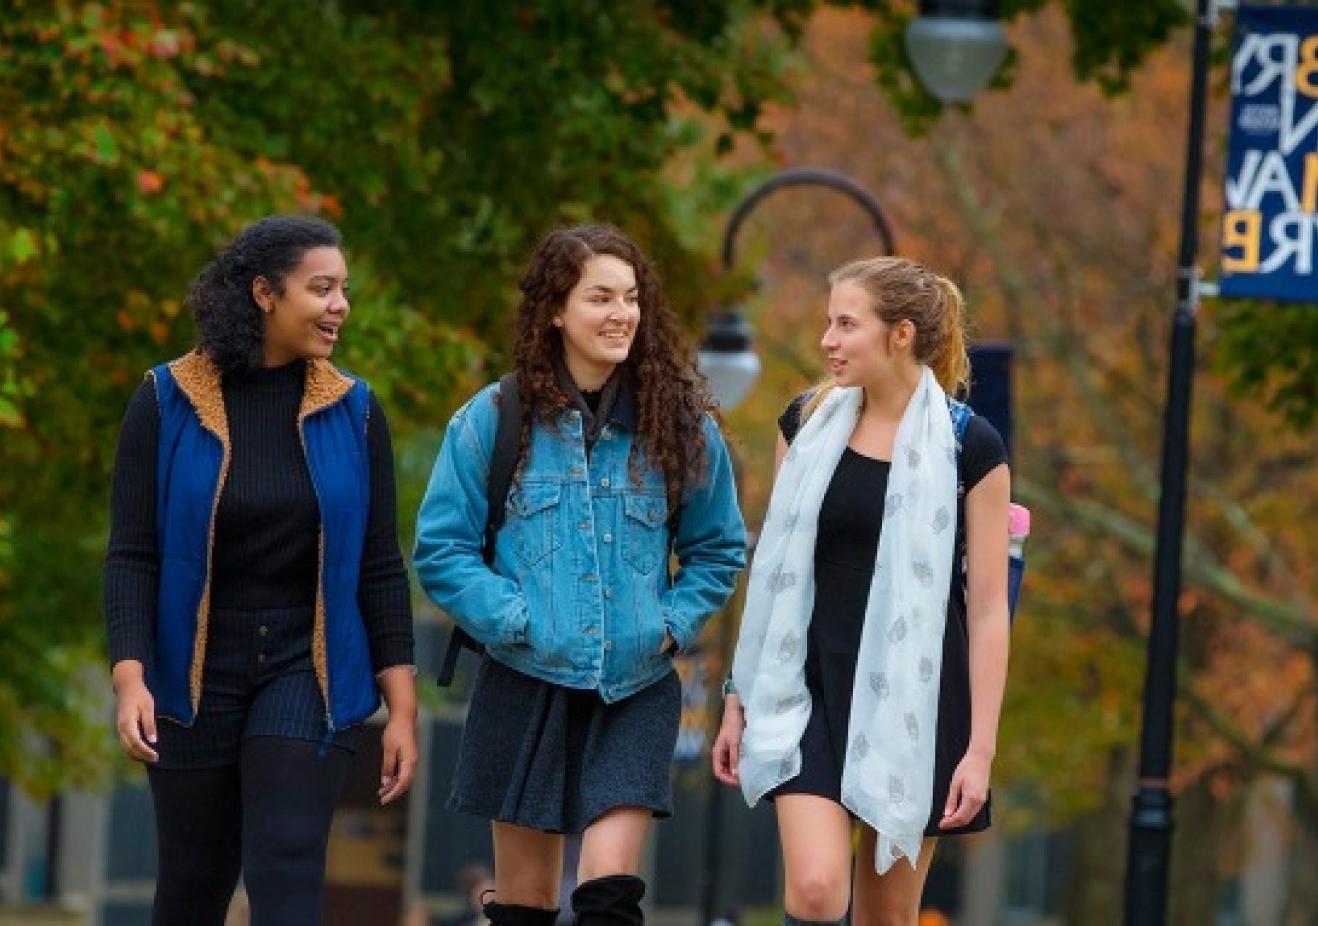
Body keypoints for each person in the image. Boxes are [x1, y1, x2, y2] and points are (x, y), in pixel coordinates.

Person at [414, 224, 746, 926]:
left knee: (606, 893)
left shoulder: (680, 427)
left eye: (630, 298)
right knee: (527, 903)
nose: (621, 314)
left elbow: (719, 550)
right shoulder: (492, 421)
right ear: (556, 311)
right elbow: (441, 551)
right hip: (522, 680)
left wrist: (669, 624)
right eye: (600, 298)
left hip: (634, 686)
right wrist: (515, 621)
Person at [103, 214, 418, 925]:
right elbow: (132, 555)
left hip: (306, 666)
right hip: (191, 672)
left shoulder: (357, 412)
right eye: (322, 288)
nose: (341, 305)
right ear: (264, 293)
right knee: (192, 879)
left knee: (286, 854)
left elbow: (379, 567)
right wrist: (131, 679)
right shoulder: (165, 401)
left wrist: (402, 707)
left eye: (344, 289)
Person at [712, 257, 1011, 926]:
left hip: (919, 700)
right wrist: (740, 696)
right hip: (806, 688)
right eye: (829, 323)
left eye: (847, 325)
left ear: (900, 335)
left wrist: (980, 750)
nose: (828, 341)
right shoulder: (806, 424)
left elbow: (989, 609)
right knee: (817, 892)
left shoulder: (973, 448)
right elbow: (776, 573)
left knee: (885, 916)